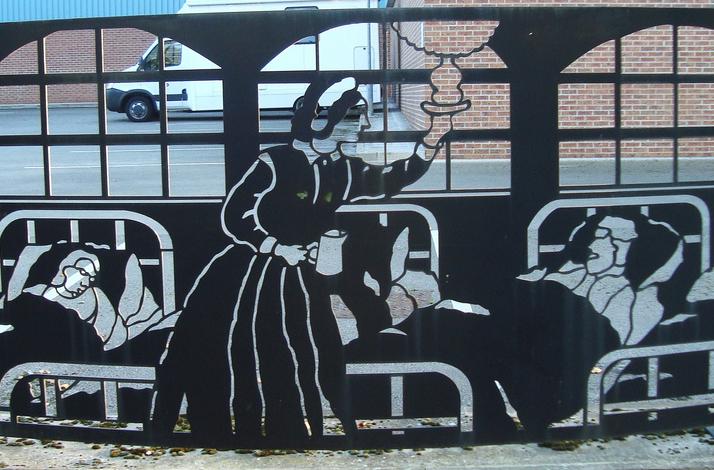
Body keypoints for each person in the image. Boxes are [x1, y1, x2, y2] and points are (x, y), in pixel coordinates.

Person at [152, 77, 445, 445]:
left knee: (307, 348)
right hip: (246, 271)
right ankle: (203, 424)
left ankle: (294, 425)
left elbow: (390, 178)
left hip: (301, 274)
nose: (364, 126)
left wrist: (430, 144)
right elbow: (234, 215)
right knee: (209, 343)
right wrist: (275, 247)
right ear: (323, 119)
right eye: (355, 117)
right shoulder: (275, 161)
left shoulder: (341, 169)